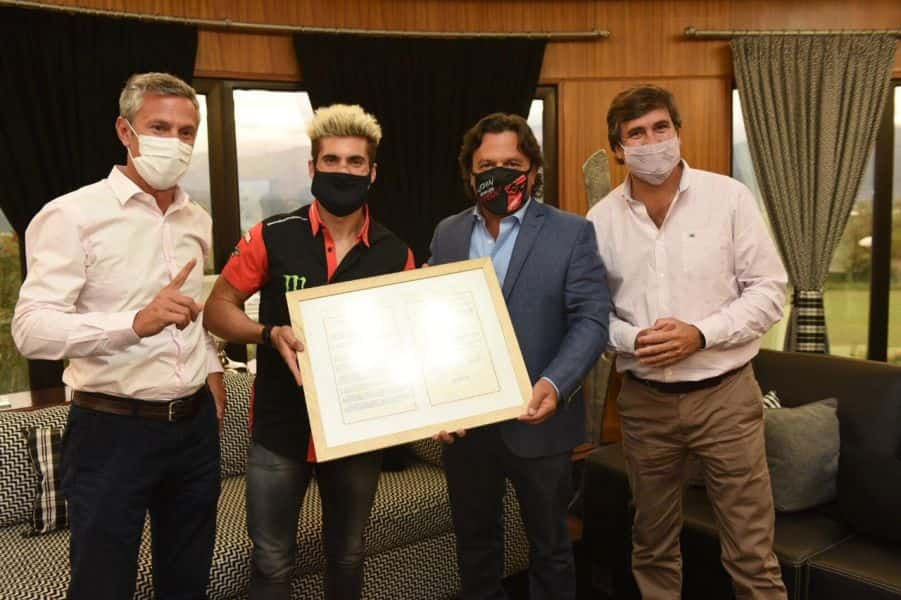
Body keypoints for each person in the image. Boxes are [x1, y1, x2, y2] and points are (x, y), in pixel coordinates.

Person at [12, 72, 225, 599]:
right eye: (159, 127)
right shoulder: (71, 215)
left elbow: (190, 312)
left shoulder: (196, 219)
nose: (174, 142)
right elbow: (31, 330)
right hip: (111, 431)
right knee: (102, 587)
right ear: (125, 132)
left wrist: (212, 369)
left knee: (188, 584)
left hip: (193, 428)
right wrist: (133, 323)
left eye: (186, 131)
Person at [203, 104, 415, 600]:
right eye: (331, 160)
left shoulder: (396, 253)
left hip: (357, 432)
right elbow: (216, 310)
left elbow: (408, 344)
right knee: (271, 560)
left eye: (355, 162)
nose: (343, 171)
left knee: (349, 554)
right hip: (279, 429)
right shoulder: (272, 235)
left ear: (373, 172)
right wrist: (267, 333)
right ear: (312, 167)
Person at [586, 84, 789, 599]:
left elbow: (770, 292)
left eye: (661, 127)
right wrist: (633, 338)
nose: (652, 141)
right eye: (636, 133)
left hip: (726, 398)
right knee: (652, 546)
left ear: (678, 132)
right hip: (644, 405)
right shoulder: (599, 221)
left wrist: (701, 334)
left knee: (752, 554)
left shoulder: (729, 198)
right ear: (618, 149)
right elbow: (591, 314)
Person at [428, 113, 610, 600]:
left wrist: (555, 383)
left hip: (541, 420)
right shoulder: (447, 233)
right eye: (487, 165)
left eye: (512, 165)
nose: (499, 174)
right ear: (470, 174)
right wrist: (433, 400)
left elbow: (592, 319)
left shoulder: (572, 232)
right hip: (468, 425)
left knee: (551, 548)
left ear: (533, 170)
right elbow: (432, 317)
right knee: (475, 547)